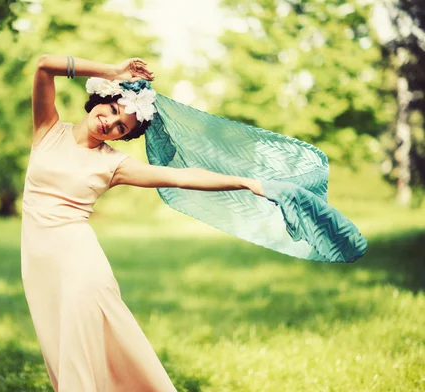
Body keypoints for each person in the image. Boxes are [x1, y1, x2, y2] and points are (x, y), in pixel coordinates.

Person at [21, 54, 266, 392]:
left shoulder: (113, 164)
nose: (111, 122)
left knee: (81, 352)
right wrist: (113, 71)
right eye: (114, 109)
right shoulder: (47, 128)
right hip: (38, 264)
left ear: (122, 138)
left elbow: (181, 177)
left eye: (122, 126)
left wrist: (245, 182)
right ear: (102, 98)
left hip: (79, 262)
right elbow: (44, 65)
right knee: (60, 350)